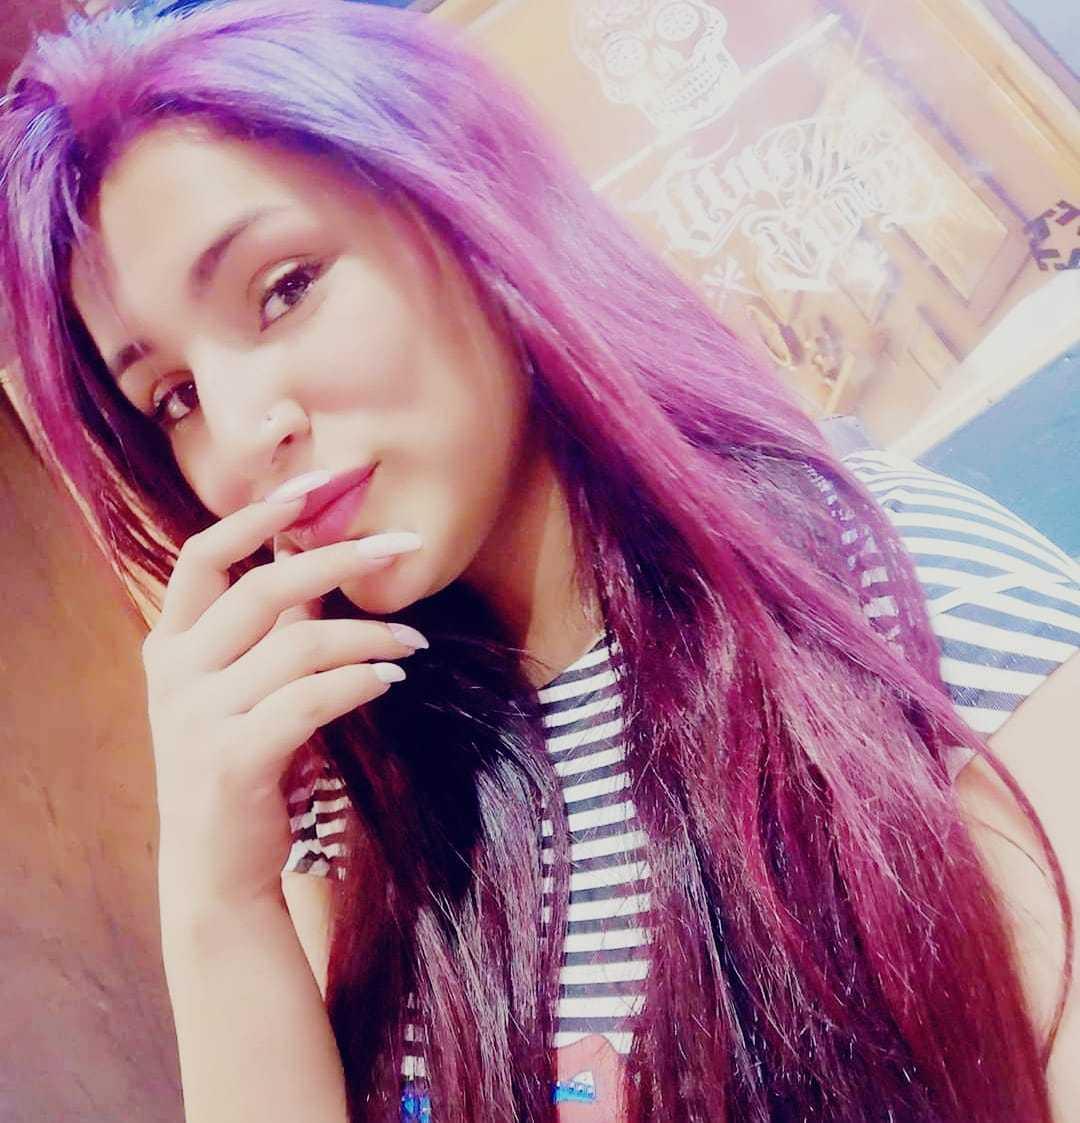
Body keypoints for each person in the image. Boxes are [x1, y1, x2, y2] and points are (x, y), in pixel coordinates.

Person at [0, 2, 1077, 1121]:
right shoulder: (356, 797)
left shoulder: (895, 610)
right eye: (173, 395)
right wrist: (216, 898)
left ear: (463, 204)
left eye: (285, 288)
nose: (238, 432)